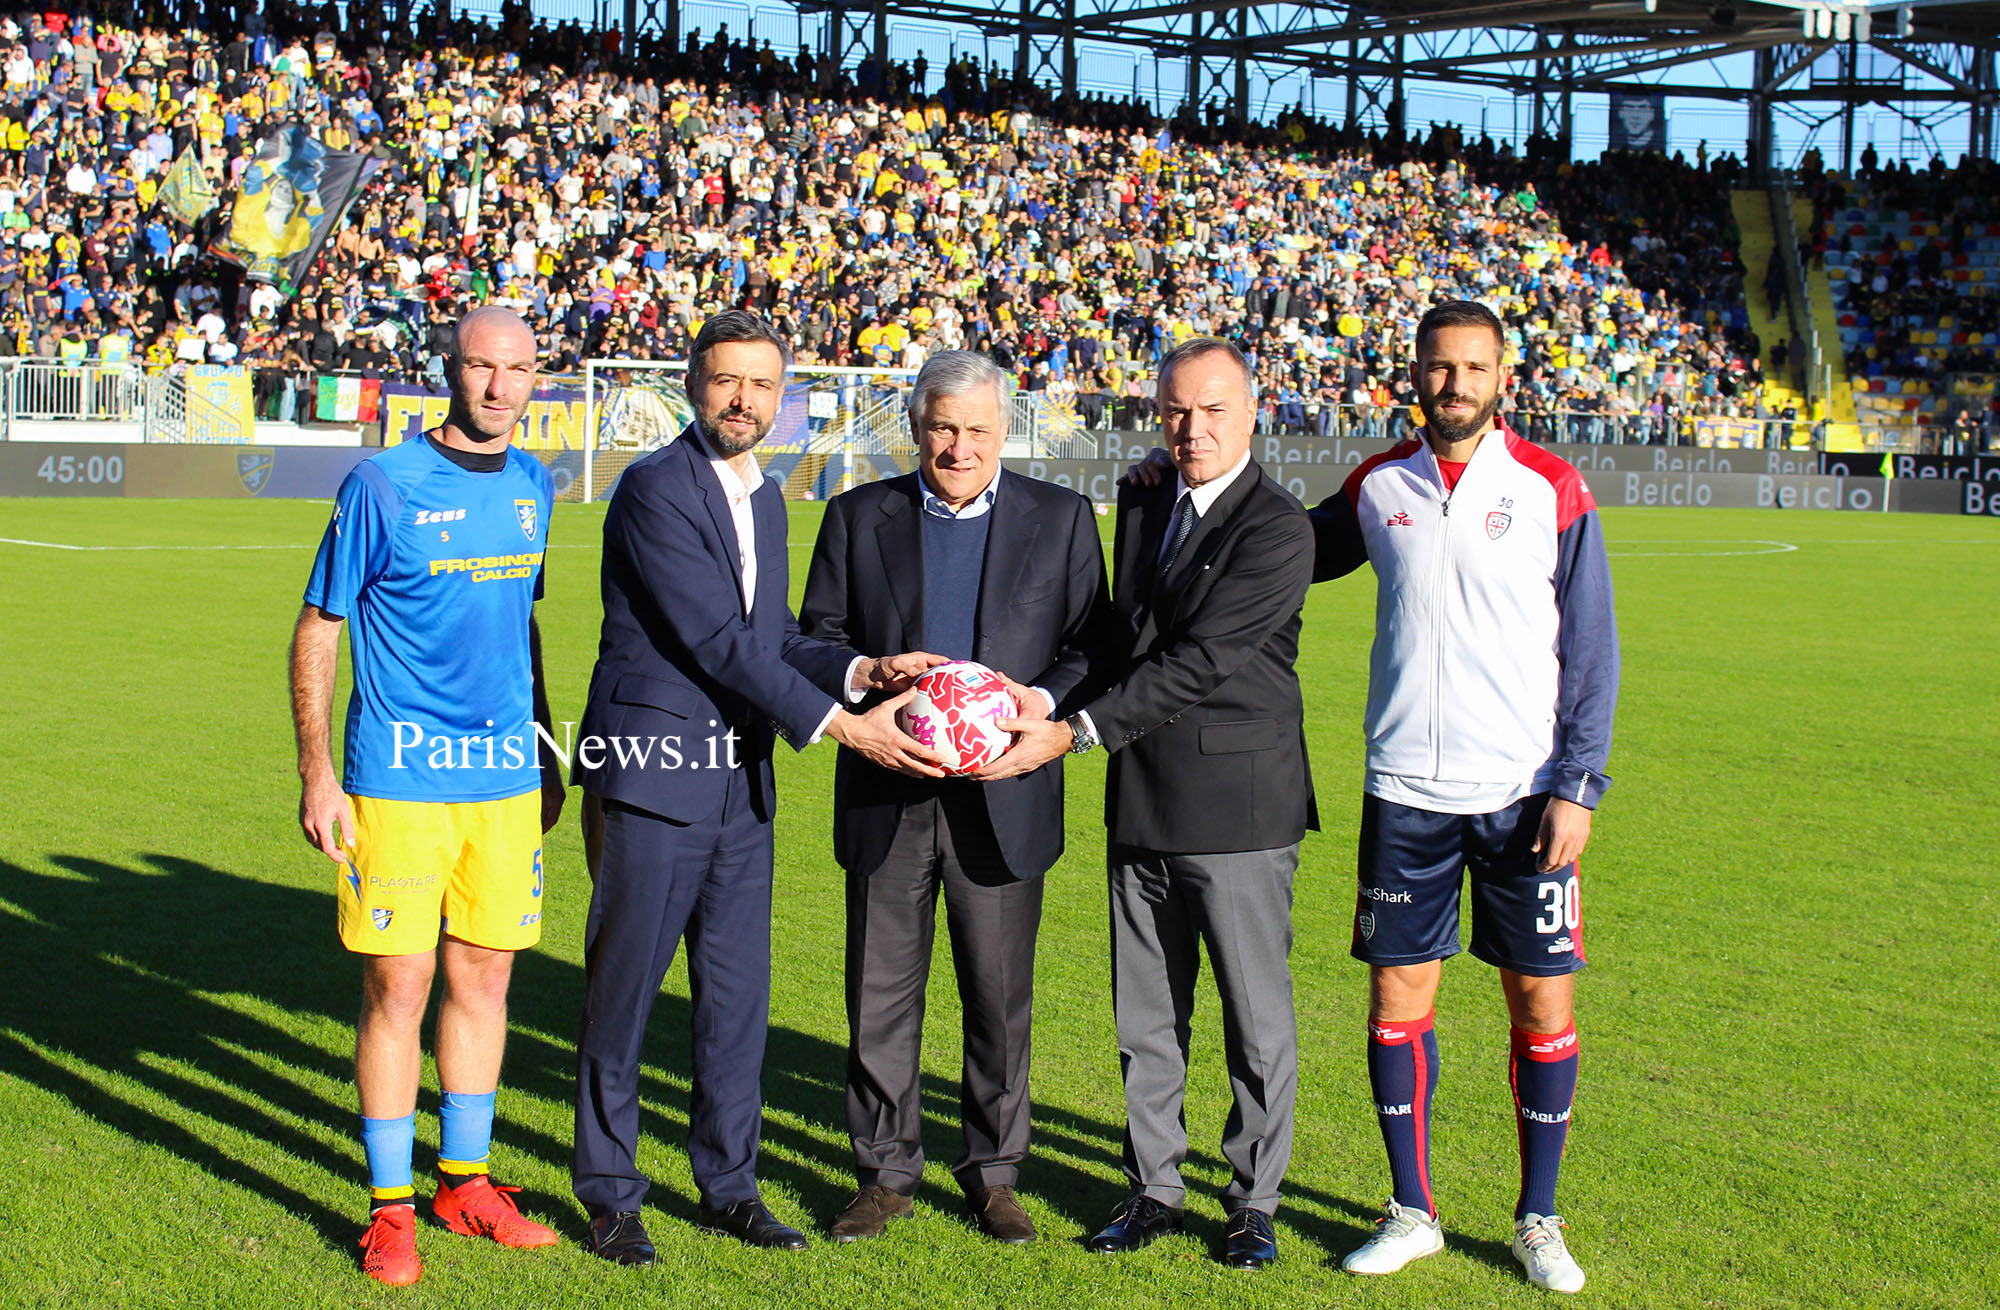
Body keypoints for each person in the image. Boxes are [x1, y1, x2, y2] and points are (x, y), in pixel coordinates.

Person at [569, 310, 945, 1266]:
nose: (744, 399)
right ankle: (610, 1192)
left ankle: (728, 1185)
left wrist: (865, 673)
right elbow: (713, 640)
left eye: (763, 385)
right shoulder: (656, 490)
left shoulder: (766, 498)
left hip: (741, 781)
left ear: (782, 399)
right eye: (727, 380)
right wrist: (840, 726)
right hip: (656, 774)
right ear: (693, 383)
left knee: (736, 1000)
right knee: (626, 991)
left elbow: (772, 635)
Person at [982, 337, 1316, 1271]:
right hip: (1141, 799)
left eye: (1213, 410)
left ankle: (1252, 1200)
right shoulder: (1142, 497)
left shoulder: (1278, 529)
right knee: (1146, 1017)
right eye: (1176, 410)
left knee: (1256, 1020)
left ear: (1252, 414)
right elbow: (1117, 635)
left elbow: (1196, 663)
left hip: (1239, 808)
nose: (1192, 427)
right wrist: (1042, 700)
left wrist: (1077, 734)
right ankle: (1153, 1188)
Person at [1311, 300, 1619, 1294]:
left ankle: (1537, 1215)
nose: (1453, 384)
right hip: (1402, 789)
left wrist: (1576, 784)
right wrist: (1179, 482)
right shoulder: (1377, 483)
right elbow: (1281, 548)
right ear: (1413, 372)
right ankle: (1411, 1209)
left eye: (1471, 368)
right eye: (1438, 367)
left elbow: (1592, 651)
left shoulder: (1549, 487)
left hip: (1524, 794)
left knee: (1538, 997)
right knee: (1399, 996)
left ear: (1501, 377)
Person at [798, 351, 1109, 1245]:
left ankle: (993, 1172)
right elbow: (810, 638)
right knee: (879, 997)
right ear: (916, 426)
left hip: (1004, 797)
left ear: (1004, 431)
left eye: (977, 429)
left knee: (998, 998)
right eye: (943, 427)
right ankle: (884, 1172)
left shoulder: (1060, 517)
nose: (958, 446)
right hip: (887, 794)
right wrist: (870, 670)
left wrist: (1038, 705)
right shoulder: (860, 516)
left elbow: (1094, 644)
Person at [289, 306, 564, 1287]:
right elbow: (319, 627)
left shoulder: (536, 482)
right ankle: (389, 1206)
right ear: (448, 369)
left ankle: (466, 1180)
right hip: (397, 776)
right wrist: (317, 769)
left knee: (485, 975)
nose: (498, 386)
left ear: (539, 374)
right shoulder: (383, 483)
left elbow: (518, 630)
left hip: (501, 778)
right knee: (398, 985)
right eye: (481, 367)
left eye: (517, 368)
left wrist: (545, 743)